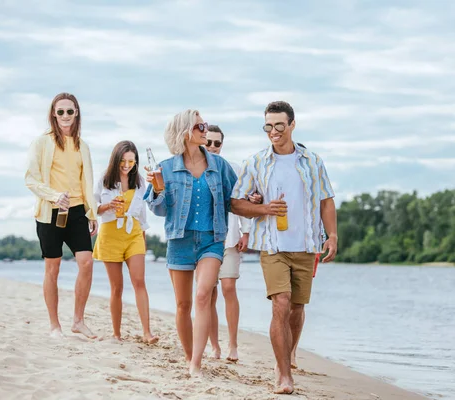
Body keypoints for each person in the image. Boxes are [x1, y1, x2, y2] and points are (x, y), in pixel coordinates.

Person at [231, 101, 338, 394]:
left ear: (292, 124)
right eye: (268, 126)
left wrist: (332, 235)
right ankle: (284, 374)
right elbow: (235, 202)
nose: (273, 131)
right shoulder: (255, 162)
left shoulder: (313, 161)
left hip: (306, 246)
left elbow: (326, 200)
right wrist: (264, 208)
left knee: (297, 308)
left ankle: (288, 355)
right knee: (280, 303)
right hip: (272, 245)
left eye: (279, 125)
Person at [144, 109, 238, 376]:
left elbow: (235, 196)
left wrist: (255, 203)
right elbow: (159, 210)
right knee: (183, 305)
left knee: (202, 294)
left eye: (205, 125)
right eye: (200, 126)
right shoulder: (165, 168)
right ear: (185, 131)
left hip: (212, 240)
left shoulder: (219, 165)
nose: (204, 130)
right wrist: (158, 190)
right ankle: (189, 357)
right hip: (179, 241)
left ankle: (197, 363)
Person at [25, 92, 98, 339]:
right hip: (50, 212)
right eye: (60, 111)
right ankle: (55, 326)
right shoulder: (41, 143)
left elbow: (86, 182)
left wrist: (92, 212)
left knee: (86, 263)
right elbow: (31, 179)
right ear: (53, 115)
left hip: (77, 211)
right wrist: (54, 196)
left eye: (70, 111)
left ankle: (78, 320)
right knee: (52, 268)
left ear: (76, 113)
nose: (65, 116)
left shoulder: (82, 146)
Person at [93, 140, 158, 344]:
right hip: (110, 235)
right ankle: (116, 334)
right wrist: (107, 206)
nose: (127, 165)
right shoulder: (104, 179)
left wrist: (143, 241)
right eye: (123, 160)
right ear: (116, 159)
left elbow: (142, 214)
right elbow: (92, 207)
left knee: (139, 281)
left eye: (131, 161)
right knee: (117, 287)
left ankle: (147, 332)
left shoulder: (139, 181)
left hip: (133, 234)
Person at [203, 125, 251, 362]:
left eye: (217, 143)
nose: (212, 147)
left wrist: (246, 232)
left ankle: (233, 344)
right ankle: (214, 346)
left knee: (228, 287)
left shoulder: (233, 168)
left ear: (222, 144)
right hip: (203, 240)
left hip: (229, 237)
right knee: (208, 294)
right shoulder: (194, 168)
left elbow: (241, 201)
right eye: (208, 142)